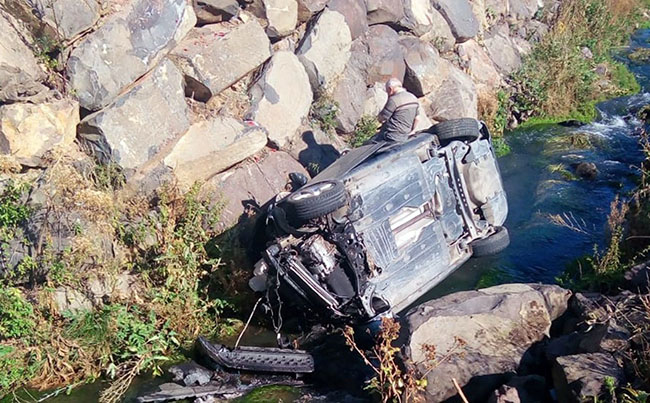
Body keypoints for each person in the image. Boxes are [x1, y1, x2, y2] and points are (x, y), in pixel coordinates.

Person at [373, 78, 420, 143]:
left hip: (390, 135)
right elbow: (417, 118)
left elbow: (382, 118)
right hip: (405, 136)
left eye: (387, 91)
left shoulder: (394, 100)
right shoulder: (413, 98)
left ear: (390, 89)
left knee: (368, 144)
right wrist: (412, 131)